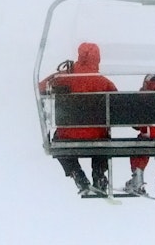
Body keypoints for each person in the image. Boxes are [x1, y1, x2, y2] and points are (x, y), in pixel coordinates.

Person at [39, 42, 117, 195]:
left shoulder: (65, 77)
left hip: (67, 134)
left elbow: (41, 87)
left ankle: (76, 172)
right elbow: (116, 101)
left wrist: (57, 76)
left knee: (57, 141)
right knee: (103, 139)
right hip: (96, 134)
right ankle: (99, 173)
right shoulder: (103, 81)